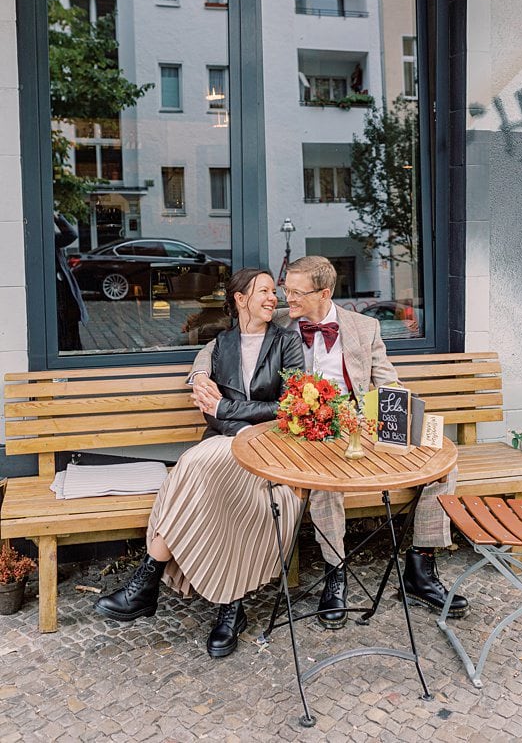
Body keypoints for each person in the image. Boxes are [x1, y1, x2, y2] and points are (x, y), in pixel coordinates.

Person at [189, 256, 467, 627]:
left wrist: (397, 421)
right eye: (285, 288)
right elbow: (219, 346)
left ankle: (420, 566)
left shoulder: (363, 328)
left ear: (324, 292)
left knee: (441, 467)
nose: (286, 297)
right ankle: (335, 573)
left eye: (295, 291)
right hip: (309, 430)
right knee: (325, 484)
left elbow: (387, 382)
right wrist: (199, 376)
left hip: (361, 425)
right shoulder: (281, 323)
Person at [94, 268, 304, 658]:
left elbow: (290, 406)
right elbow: (210, 411)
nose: (273, 297)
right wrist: (234, 420)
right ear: (240, 299)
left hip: (270, 451)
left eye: (274, 292)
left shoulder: (288, 342)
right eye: (264, 291)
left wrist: (232, 412)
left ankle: (147, 580)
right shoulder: (220, 345)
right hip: (225, 444)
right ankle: (231, 608)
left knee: (193, 464)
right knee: (214, 483)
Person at [53, 212, 88, 351]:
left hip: (62, 288)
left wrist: (57, 218)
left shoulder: (51, 237)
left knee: (69, 322)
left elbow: (71, 235)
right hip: (54, 289)